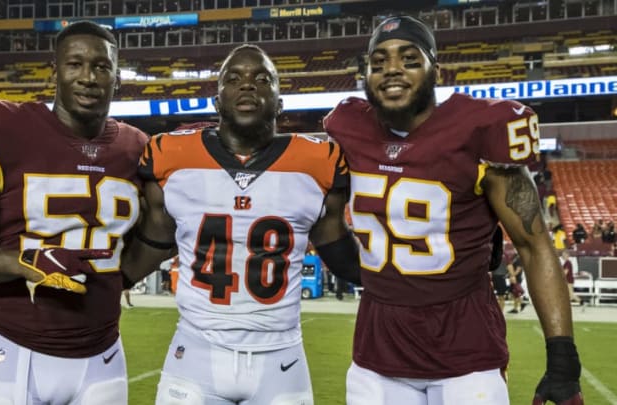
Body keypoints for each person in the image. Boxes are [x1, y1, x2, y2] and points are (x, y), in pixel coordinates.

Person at [323, 15, 583, 405]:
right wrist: (354, 269)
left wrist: (563, 357)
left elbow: (533, 246)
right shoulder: (348, 127)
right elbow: (326, 217)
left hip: (467, 357)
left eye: (409, 59)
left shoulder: (479, 131)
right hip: (377, 356)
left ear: (435, 71)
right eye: (379, 62)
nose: (392, 70)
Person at [0, 21, 148, 405]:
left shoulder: (136, 148)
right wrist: (25, 261)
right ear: (54, 71)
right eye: (75, 64)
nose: (88, 77)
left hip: (104, 353)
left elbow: (156, 237)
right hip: (14, 350)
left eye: (101, 66)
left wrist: (117, 279)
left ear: (117, 79)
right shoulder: (7, 130)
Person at [121, 44, 360, 405]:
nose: (247, 85)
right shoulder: (169, 155)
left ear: (280, 103)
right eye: (233, 79)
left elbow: (339, 251)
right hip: (195, 351)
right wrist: (111, 282)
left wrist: (408, 281)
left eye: (262, 79)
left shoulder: (319, 160)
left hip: (281, 357)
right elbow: (154, 241)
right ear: (217, 102)